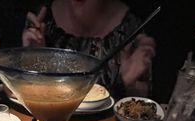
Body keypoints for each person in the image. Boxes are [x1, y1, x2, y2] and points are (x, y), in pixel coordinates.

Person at [21, 0, 156, 99]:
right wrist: (33, 60)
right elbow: (25, 93)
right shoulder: (43, 18)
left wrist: (125, 84)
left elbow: (142, 112)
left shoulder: (132, 29)